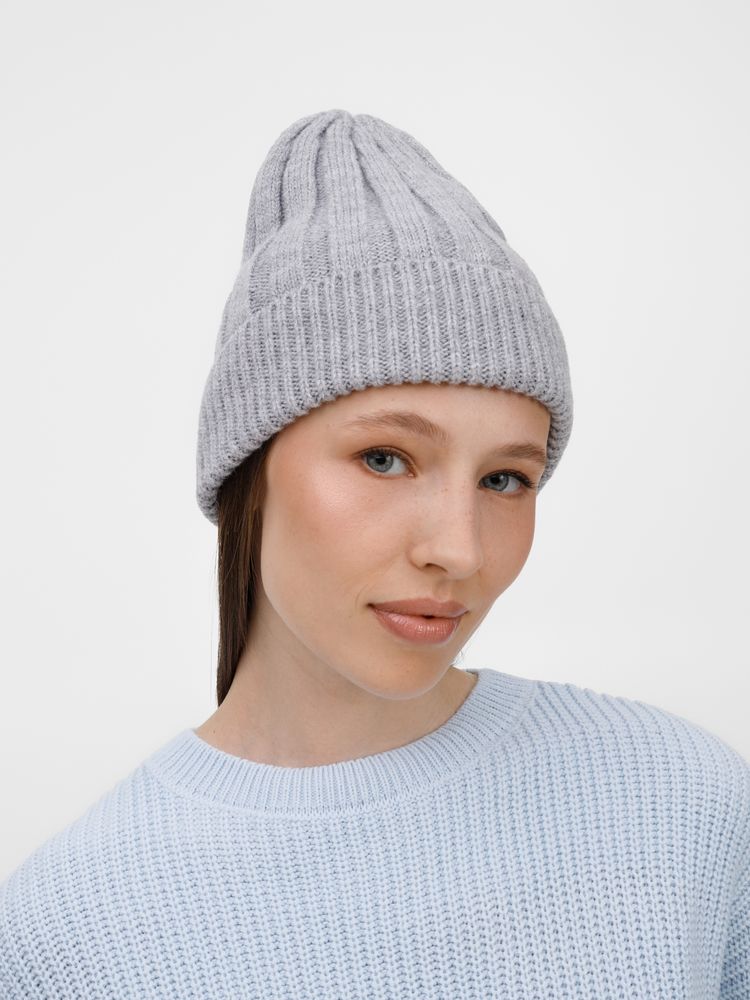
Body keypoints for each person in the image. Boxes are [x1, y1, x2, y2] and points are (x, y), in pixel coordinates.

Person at [1, 108, 747, 999]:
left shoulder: (682, 802)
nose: (458, 549)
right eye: (385, 458)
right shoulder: (66, 932)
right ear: (248, 470)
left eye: (505, 478)